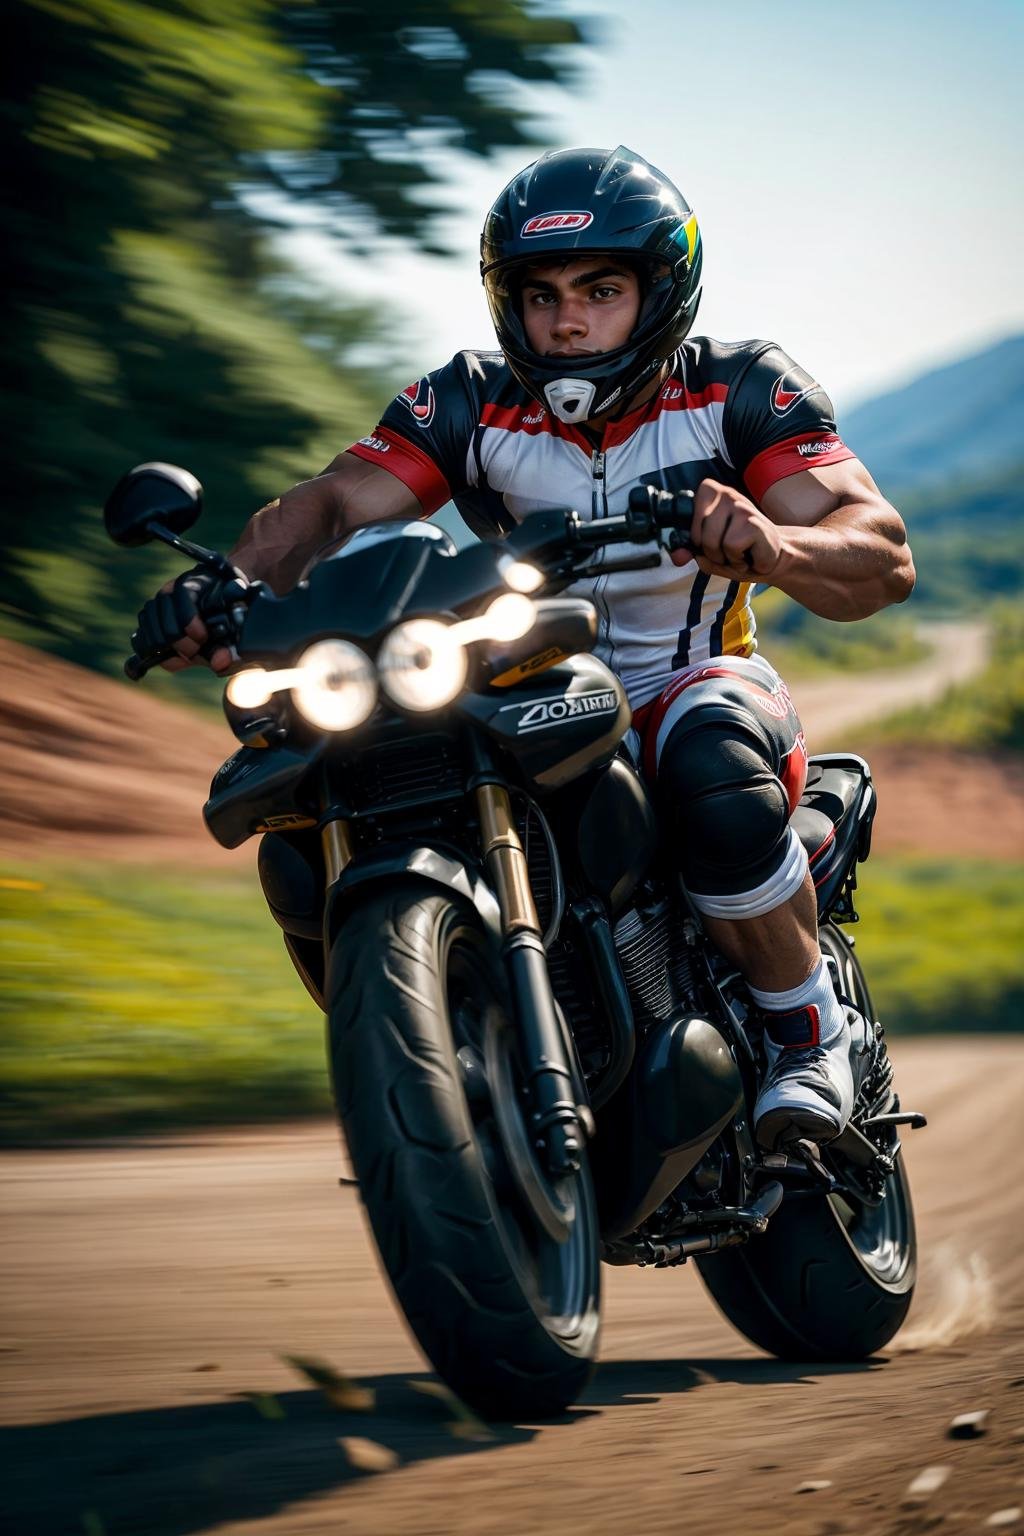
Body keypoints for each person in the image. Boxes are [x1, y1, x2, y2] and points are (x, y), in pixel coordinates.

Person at [135, 145, 914, 1150]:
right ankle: (435, 1049)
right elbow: (327, 506)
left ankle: (811, 1035)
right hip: (522, 676)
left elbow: (878, 551)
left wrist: (772, 540)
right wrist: (222, 588)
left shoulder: (740, 390)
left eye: (600, 288)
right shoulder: (462, 398)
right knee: (335, 776)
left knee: (706, 751)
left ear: (660, 292)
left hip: (692, 678)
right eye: (540, 294)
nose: (568, 319)